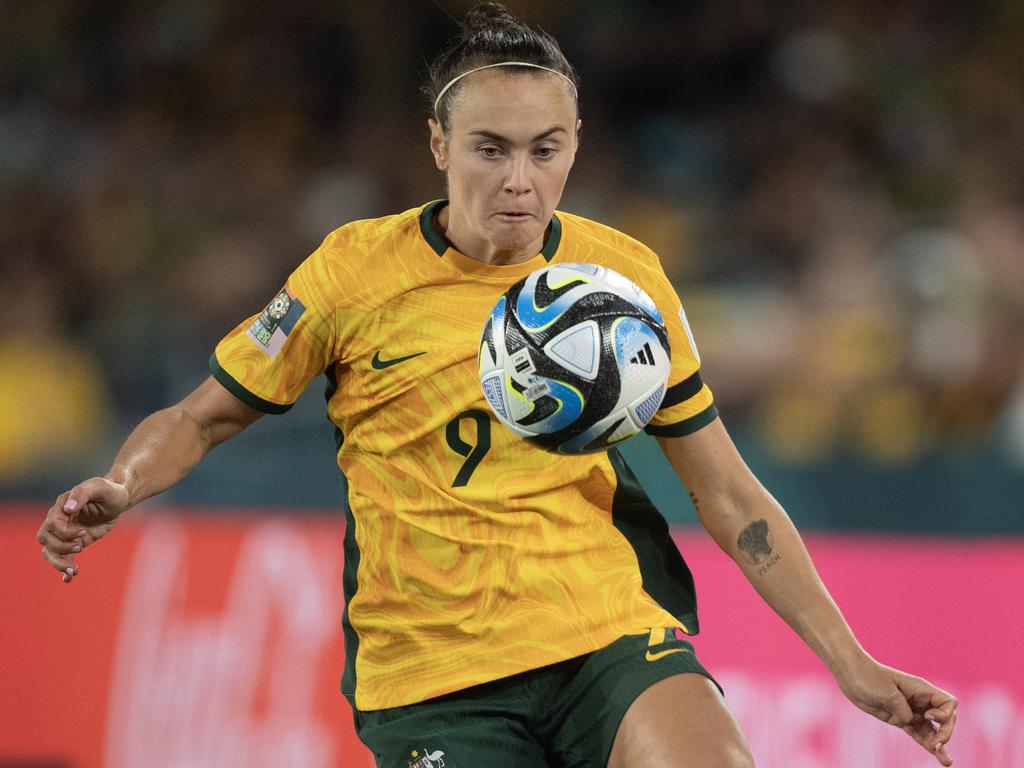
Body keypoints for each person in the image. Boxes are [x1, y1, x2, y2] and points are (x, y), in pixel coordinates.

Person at [38, 4, 957, 766]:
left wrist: (853, 665)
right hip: (435, 676)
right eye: (489, 149)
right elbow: (201, 418)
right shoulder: (352, 272)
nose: (520, 182)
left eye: (546, 149)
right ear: (437, 144)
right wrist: (121, 485)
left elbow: (727, 492)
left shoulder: (622, 280)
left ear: (577, 144)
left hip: (602, 633)